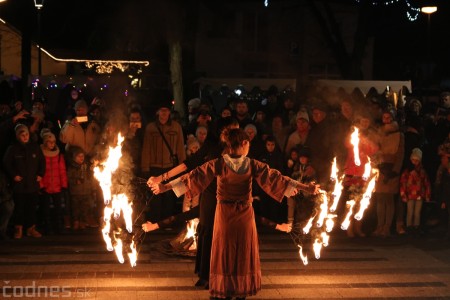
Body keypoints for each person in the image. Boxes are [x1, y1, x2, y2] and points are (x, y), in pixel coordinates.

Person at [149, 127, 319, 300]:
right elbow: (278, 178)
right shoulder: (252, 164)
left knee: (224, 251)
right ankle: (240, 289)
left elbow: (191, 177)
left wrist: (164, 186)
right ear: (244, 144)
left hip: (224, 214)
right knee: (242, 252)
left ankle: (224, 288)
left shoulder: (218, 164)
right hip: (244, 215)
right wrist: (306, 187)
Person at [141, 100, 186, 222]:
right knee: (155, 195)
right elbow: (146, 149)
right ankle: (155, 221)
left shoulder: (176, 127)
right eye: (162, 110)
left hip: (171, 166)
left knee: (169, 195)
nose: (164, 113)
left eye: (166, 110)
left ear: (170, 112)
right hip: (154, 166)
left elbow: (180, 147)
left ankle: (167, 221)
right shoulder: (151, 128)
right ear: (157, 112)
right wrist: (145, 167)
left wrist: (184, 166)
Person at [3, 124, 46, 239]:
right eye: (22, 135)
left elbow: (42, 161)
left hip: (32, 183)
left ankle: (30, 228)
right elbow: (6, 163)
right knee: (19, 207)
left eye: (26, 134)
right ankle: (18, 229)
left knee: (31, 207)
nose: (25, 136)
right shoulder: (12, 149)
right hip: (19, 185)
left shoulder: (35, 147)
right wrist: (14, 175)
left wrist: (40, 174)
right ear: (18, 136)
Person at [39, 129, 68, 234]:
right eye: (49, 142)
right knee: (45, 209)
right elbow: (39, 172)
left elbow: (62, 171)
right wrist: (41, 185)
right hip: (46, 186)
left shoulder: (59, 156)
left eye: (53, 142)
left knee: (58, 208)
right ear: (45, 142)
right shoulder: (41, 155)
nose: (52, 144)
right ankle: (47, 226)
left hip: (57, 186)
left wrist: (64, 185)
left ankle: (59, 226)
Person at [400, 148, 431, 235]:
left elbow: (426, 183)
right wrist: (403, 194)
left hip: (419, 195)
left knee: (417, 212)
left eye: (417, 160)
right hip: (410, 195)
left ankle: (416, 227)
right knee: (410, 211)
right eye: (413, 160)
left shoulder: (422, 171)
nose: (415, 162)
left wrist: (427, 195)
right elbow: (403, 183)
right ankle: (409, 226)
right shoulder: (407, 171)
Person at [66, 146, 93, 230]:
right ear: (74, 157)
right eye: (79, 156)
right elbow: (68, 178)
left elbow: (90, 177)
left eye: (82, 156)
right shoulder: (72, 167)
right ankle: (76, 221)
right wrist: (75, 181)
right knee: (75, 208)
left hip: (86, 191)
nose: (81, 158)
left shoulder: (86, 166)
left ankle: (82, 221)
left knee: (84, 208)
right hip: (75, 192)